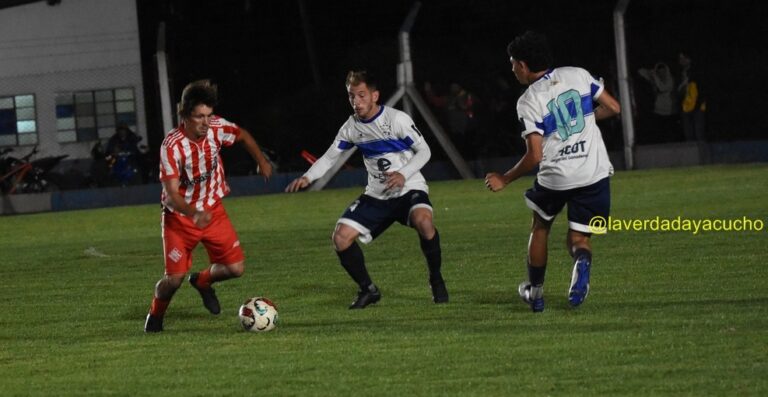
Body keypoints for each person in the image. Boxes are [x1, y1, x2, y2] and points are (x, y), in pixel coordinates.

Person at [285, 70, 448, 309]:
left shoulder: (396, 120)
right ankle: (368, 290)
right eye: (352, 96)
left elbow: (425, 151)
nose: (356, 102)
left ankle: (436, 278)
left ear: (375, 96)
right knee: (340, 238)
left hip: (408, 187)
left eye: (361, 95)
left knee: (424, 222)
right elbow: (330, 158)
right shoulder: (351, 128)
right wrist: (308, 177)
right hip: (377, 194)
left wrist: (404, 174)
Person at [484, 31, 621, 312]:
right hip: (593, 171)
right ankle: (581, 260)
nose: (512, 69)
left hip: (557, 175)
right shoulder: (578, 75)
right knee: (579, 238)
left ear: (522, 65)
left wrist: (505, 178)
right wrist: (586, 120)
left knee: (540, 226)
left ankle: (535, 293)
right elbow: (614, 107)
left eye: (512, 63)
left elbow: (535, 155)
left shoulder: (528, 100)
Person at [144, 80, 273, 332]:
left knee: (236, 269)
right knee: (173, 279)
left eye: (209, 115)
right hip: (180, 219)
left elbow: (243, 135)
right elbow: (171, 195)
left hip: (213, 212)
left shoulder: (216, 128)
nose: (205, 122)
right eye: (199, 117)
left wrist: (262, 160)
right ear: (184, 116)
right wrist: (194, 213)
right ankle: (155, 316)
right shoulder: (171, 147)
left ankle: (202, 281)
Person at [638, 62, 679, 143]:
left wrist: (655, 77)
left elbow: (662, 88)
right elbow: (640, 71)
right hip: (659, 110)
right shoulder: (656, 79)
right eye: (659, 72)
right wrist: (651, 72)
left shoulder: (670, 79)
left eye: (663, 71)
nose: (662, 73)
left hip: (669, 111)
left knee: (670, 131)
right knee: (660, 131)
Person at [677, 52, 706, 141]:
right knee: (688, 135)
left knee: (699, 133)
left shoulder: (696, 71)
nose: (682, 61)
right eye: (680, 59)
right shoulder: (679, 73)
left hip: (697, 107)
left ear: (689, 59)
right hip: (685, 107)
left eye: (684, 58)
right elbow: (679, 91)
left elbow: (702, 89)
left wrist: (698, 105)